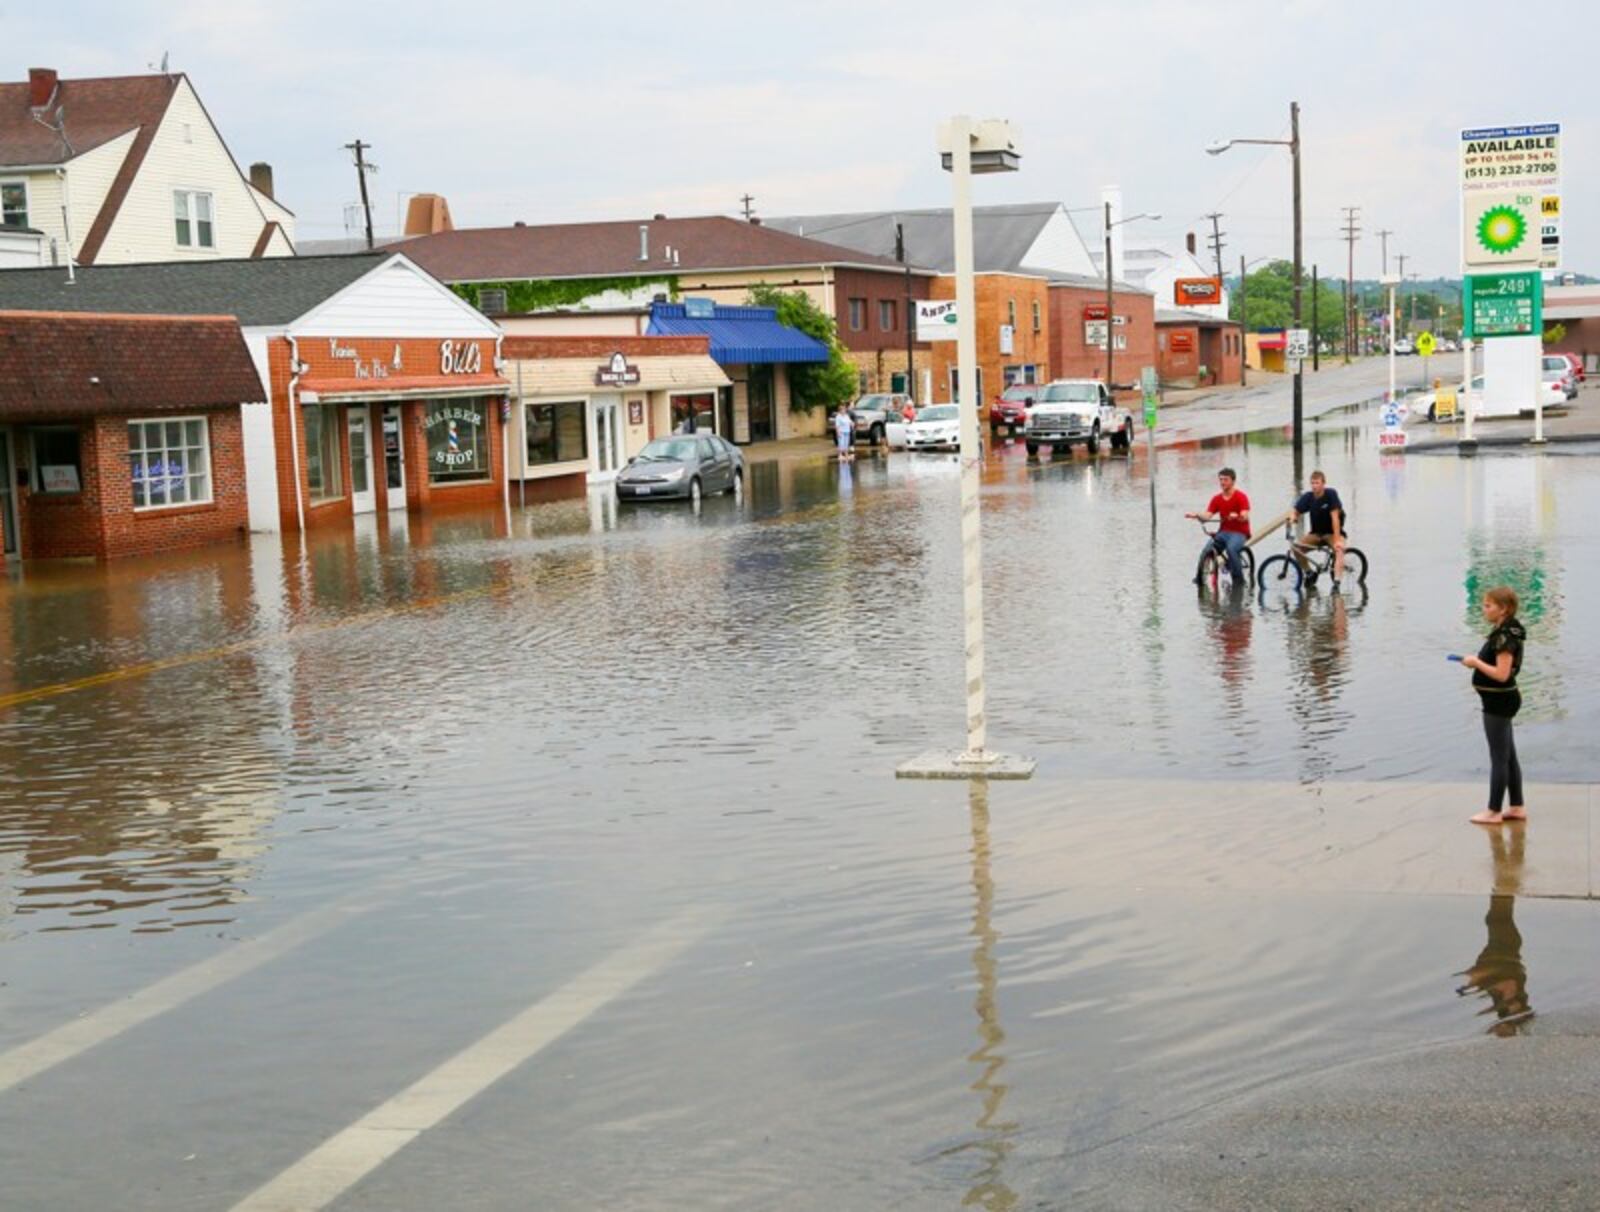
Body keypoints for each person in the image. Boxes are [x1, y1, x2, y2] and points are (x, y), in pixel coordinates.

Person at [1460, 585, 1527, 826]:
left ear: (1504, 609)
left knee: (1499, 757)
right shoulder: (1505, 630)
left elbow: (1501, 674)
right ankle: (1517, 806)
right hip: (1501, 699)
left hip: (1499, 701)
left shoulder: (1504, 637)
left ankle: (1494, 810)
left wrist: (1476, 662)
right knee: (1508, 756)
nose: (1484, 609)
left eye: (1488, 606)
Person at [1186, 467, 1251, 583]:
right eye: (1220, 480)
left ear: (1233, 481)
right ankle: (1199, 578)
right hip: (1223, 532)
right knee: (1206, 549)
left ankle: (1239, 580)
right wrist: (1197, 515)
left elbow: (1245, 515)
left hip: (1240, 533)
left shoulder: (1241, 497)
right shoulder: (1216, 499)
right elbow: (1208, 515)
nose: (1222, 483)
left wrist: (1237, 516)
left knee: (1231, 549)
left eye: (1225, 480)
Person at [1289, 469, 1347, 584]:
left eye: (1317, 483)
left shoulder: (1331, 494)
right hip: (1316, 534)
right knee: (1296, 549)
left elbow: (1335, 519)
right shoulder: (1308, 497)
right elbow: (1295, 510)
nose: (1314, 486)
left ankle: (1337, 581)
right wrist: (1293, 517)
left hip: (1331, 533)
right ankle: (1309, 573)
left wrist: (1337, 541)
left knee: (1339, 550)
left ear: (1323, 483)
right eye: (1312, 483)